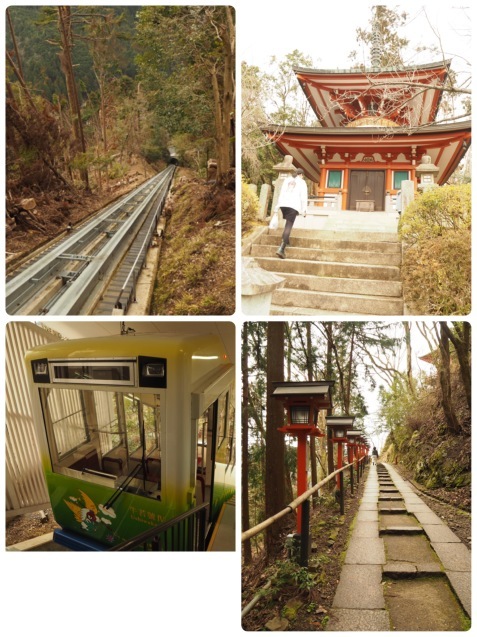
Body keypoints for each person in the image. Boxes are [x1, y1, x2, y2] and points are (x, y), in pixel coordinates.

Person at [274, 168, 308, 259]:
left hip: (283, 205)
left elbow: (281, 193)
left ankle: (287, 240)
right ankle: (281, 248)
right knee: (289, 225)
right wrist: (304, 210)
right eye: (303, 176)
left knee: (287, 223)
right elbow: (303, 197)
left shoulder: (287, 180)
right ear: (301, 174)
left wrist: (277, 207)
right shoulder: (302, 182)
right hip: (293, 205)